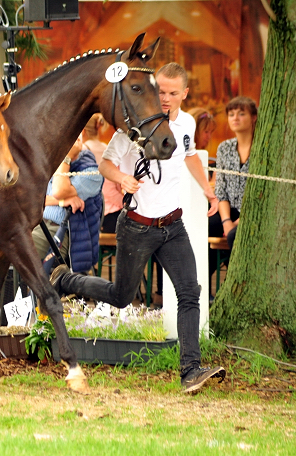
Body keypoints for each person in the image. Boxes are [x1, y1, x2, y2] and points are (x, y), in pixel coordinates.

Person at [49, 63, 226, 393]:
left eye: (173, 93)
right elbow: (104, 164)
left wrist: (207, 188)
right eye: (160, 91)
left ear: (185, 94)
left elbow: (188, 156)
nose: (166, 98)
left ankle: (190, 370)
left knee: (190, 293)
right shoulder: (131, 129)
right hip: (137, 228)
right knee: (121, 296)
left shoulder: (186, 124)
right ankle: (64, 279)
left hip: (173, 226)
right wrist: (122, 178)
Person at [31, 132, 103, 272]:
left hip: (62, 232)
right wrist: (60, 202)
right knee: (0, 237)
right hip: (37, 223)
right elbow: (31, 198)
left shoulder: (92, 172)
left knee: (19, 247)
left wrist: (67, 158)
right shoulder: (49, 162)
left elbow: (58, 191)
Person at [208, 96, 257, 278]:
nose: (235, 118)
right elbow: (220, 189)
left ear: (253, 117)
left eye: (241, 113)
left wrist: (239, 221)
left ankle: (236, 282)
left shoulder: (262, 147)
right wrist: (226, 220)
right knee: (205, 227)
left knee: (234, 235)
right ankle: (200, 285)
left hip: (254, 211)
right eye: (231, 114)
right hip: (228, 210)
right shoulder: (224, 148)